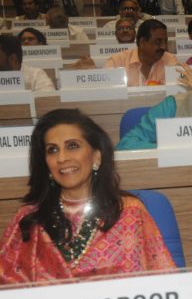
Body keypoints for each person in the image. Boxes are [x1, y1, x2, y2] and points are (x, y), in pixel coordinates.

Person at [0, 109, 176, 284]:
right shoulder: (29, 220)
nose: (61, 158)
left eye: (72, 146)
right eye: (52, 150)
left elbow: (164, 283)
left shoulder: (129, 212)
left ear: (96, 157)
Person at [104, 19, 177, 86]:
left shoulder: (170, 60)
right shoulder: (116, 62)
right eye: (158, 42)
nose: (164, 47)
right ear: (142, 42)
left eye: (165, 41)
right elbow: (107, 93)